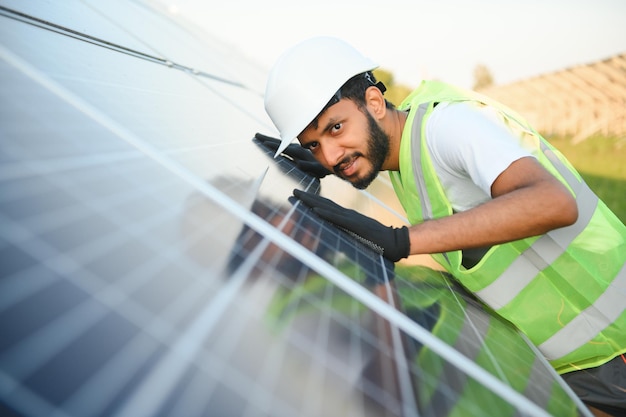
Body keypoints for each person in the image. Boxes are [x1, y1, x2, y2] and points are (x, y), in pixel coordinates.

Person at [259, 36, 626, 416]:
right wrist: (333, 161)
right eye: (314, 145)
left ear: (374, 102)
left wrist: (401, 241)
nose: (331, 155)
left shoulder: (446, 128)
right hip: (580, 358)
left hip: (615, 341)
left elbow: (553, 201)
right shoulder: (405, 148)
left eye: (335, 128)